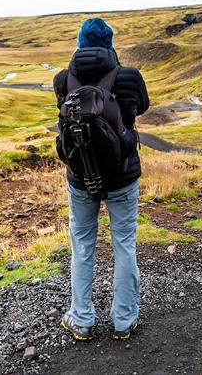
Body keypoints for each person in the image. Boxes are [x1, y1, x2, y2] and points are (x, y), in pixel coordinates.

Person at [52, 17, 149, 341]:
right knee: (124, 244)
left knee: (82, 247)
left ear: (80, 42)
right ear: (109, 43)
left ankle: (81, 319)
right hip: (122, 176)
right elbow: (142, 108)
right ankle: (124, 321)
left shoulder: (63, 79)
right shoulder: (129, 77)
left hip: (80, 178)